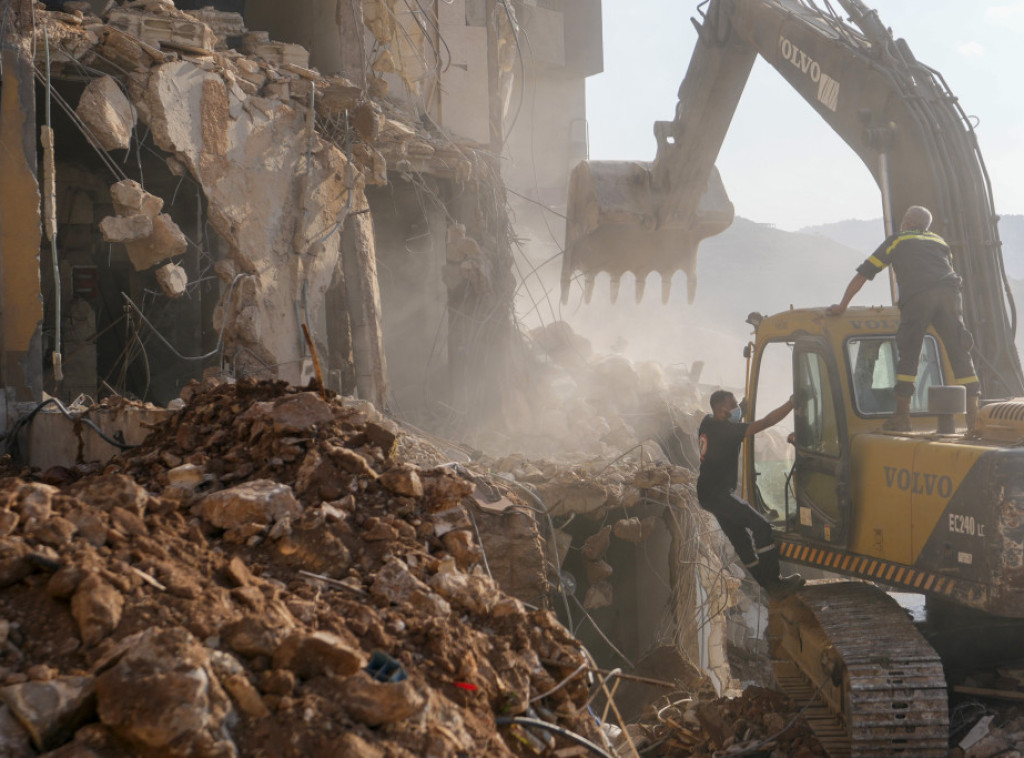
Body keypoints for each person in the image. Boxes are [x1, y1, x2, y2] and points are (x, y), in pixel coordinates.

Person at [827, 205, 980, 431]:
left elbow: (864, 274)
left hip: (919, 296)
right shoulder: (940, 242)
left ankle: (902, 415)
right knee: (959, 350)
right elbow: (945, 269)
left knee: (909, 352)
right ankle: (974, 421)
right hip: (950, 294)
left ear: (907, 222)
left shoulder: (897, 240)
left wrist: (842, 305)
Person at [697, 390, 804, 599]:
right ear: (720, 411)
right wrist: (791, 403)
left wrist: (742, 410)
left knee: (741, 541)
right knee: (762, 527)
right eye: (733, 405)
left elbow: (729, 422)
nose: (736, 408)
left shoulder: (707, 422)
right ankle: (774, 581)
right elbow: (766, 422)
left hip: (708, 493)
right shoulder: (725, 431)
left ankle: (769, 587)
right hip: (718, 494)